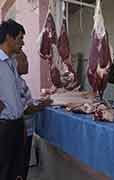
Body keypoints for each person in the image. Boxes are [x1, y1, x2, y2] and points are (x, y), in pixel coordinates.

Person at [15, 50, 52, 180]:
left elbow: (26, 102)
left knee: (22, 167)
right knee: (19, 169)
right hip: (21, 132)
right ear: (14, 63)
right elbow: (25, 109)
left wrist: (37, 102)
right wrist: (44, 104)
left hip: (26, 131)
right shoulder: (15, 83)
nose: (27, 63)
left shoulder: (20, 81)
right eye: (24, 60)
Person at [0, 19, 26, 180]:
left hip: (16, 125)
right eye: (20, 38)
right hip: (3, 126)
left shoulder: (11, 62)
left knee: (15, 170)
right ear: (9, 37)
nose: (22, 43)